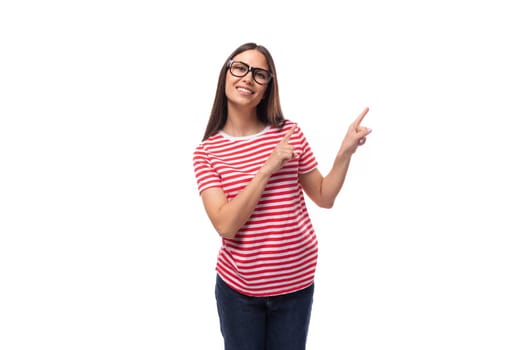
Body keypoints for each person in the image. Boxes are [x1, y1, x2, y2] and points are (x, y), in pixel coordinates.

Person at [192, 42, 371, 350]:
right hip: (240, 294)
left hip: (296, 288)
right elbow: (226, 225)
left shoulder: (290, 133)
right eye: (240, 68)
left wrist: (344, 153)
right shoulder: (207, 152)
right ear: (226, 74)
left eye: (259, 74)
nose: (247, 78)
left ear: (267, 88)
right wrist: (267, 168)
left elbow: (324, 196)